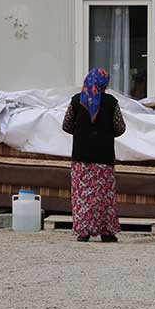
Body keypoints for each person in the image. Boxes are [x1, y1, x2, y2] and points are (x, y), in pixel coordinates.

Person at [62, 68, 126, 242]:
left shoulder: (77, 101)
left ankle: (84, 232)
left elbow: (66, 125)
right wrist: (105, 132)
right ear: (104, 84)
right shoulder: (111, 102)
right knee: (104, 196)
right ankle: (107, 233)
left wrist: (82, 132)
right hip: (104, 157)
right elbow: (120, 128)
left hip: (81, 157)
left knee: (83, 195)